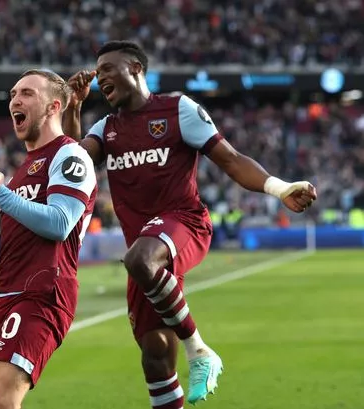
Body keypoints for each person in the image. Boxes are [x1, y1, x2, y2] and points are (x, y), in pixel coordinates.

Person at [64, 41, 317, 408]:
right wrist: (75, 106)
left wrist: (279, 189)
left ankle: (199, 352)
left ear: (135, 68)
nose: (100, 75)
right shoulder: (106, 128)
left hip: (184, 224)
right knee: (154, 353)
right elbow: (74, 164)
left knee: (138, 260)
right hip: (147, 248)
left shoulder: (177, 110)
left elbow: (230, 159)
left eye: (108, 68)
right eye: (97, 70)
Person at [0, 69, 97, 409]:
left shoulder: (70, 157)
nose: (15, 99)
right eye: (13, 93)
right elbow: (15, 250)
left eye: (27, 93)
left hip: (42, 293)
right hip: (1, 296)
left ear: (54, 106)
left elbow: (60, 223)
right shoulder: (23, 170)